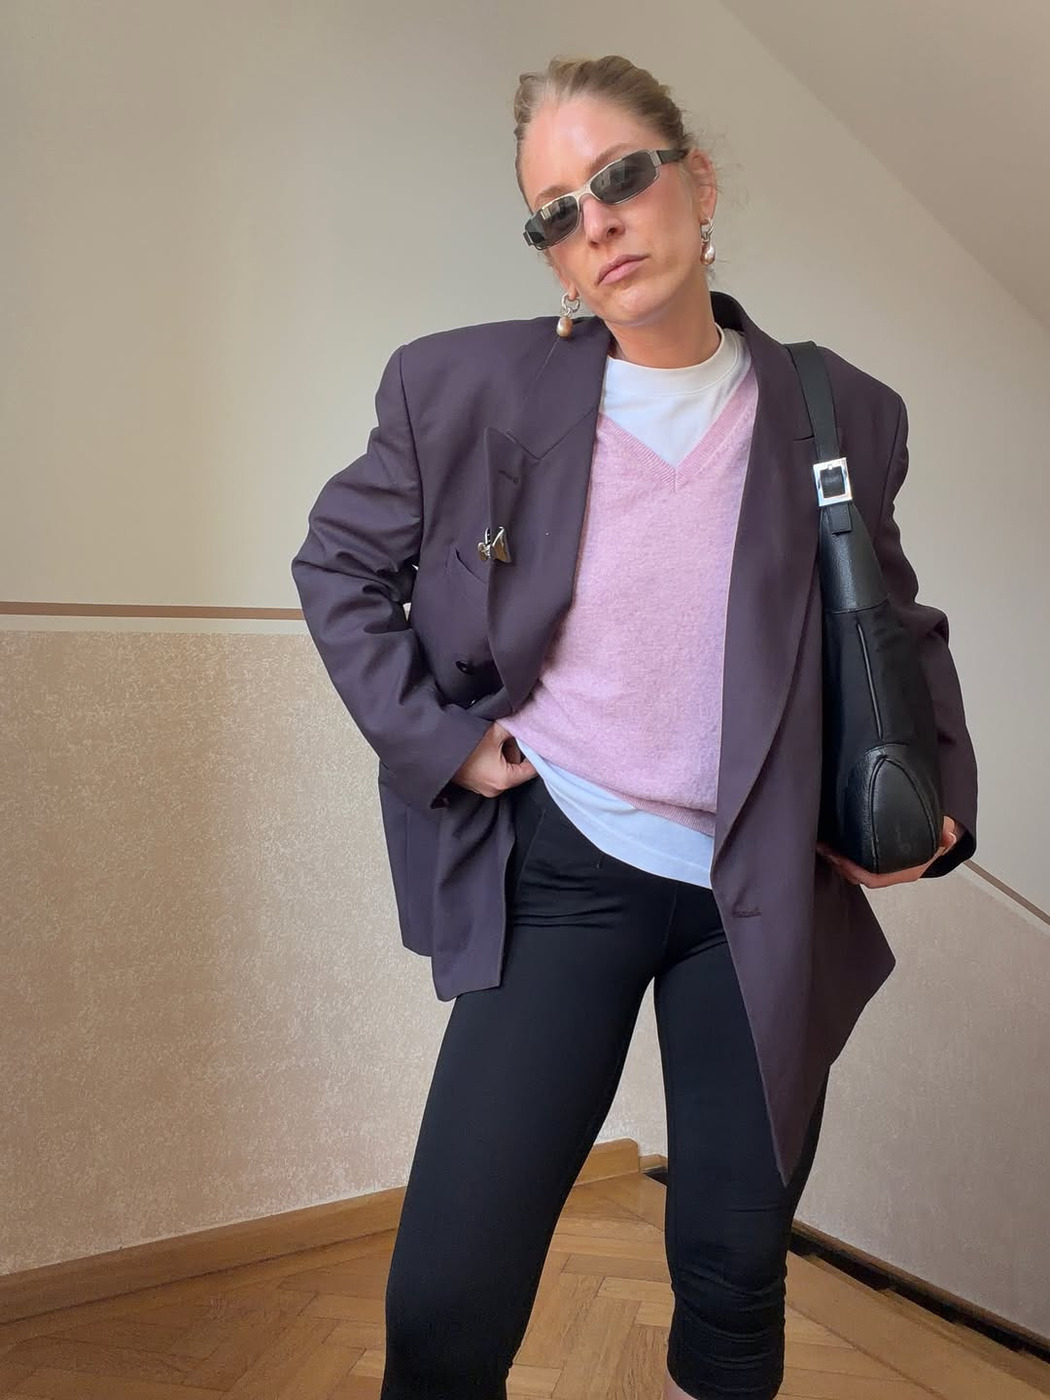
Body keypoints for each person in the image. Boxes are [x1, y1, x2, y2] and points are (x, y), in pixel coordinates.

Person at [291, 52, 978, 1400]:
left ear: (696, 182)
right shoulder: (460, 389)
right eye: (556, 211)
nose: (595, 223)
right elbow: (338, 567)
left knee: (734, 1273)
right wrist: (442, 741)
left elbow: (889, 614)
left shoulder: (836, 410)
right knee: (446, 1295)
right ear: (550, 253)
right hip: (563, 869)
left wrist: (937, 803)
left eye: (620, 177)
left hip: (759, 886)